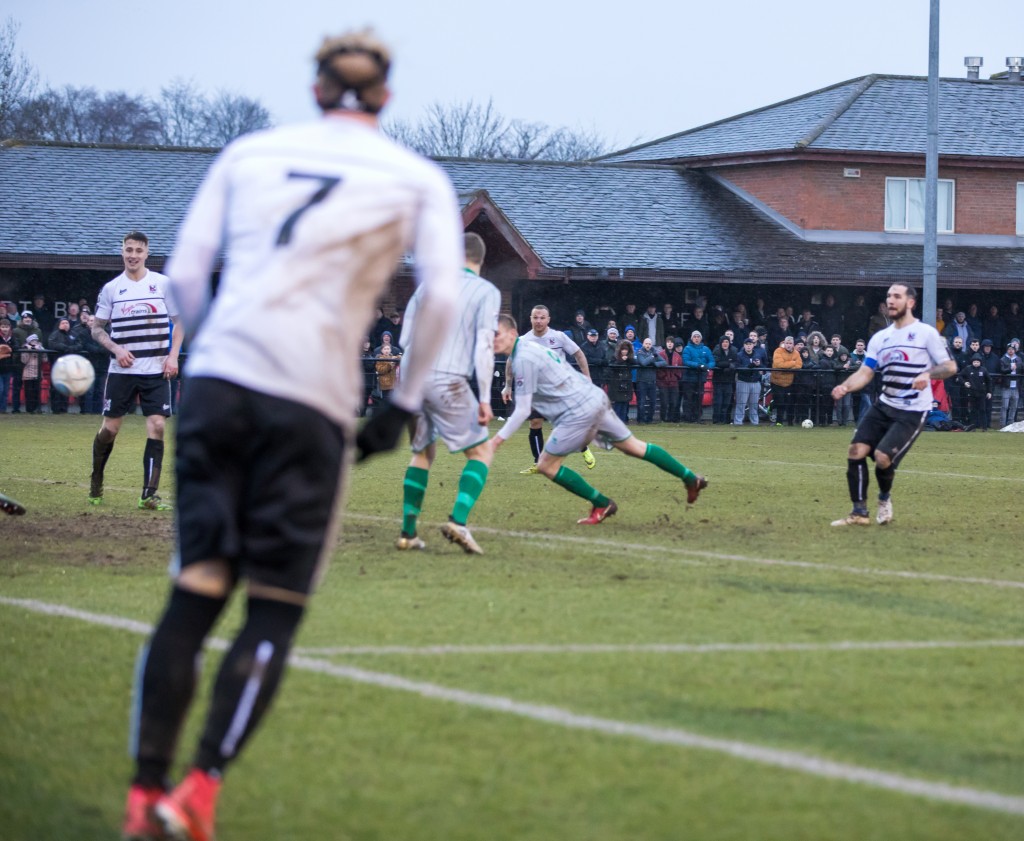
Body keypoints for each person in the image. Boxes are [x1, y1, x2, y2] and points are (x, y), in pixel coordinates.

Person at [119, 29, 462, 841]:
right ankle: (197, 789)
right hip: (310, 398)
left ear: (314, 90)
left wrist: (211, 357)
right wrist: (400, 402)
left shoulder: (250, 154)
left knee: (195, 590)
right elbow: (441, 294)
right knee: (273, 608)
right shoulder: (415, 176)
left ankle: (142, 795)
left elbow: (190, 269)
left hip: (220, 384)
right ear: (385, 96)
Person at [489, 314, 706, 524]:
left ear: (513, 333)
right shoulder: (530, 348)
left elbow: (522, 409)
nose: (493, 339)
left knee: (546, 465)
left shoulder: (524, 358)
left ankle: (601, 503)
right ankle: (689, 478)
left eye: (498, 334)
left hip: (578, 410)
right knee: (634, 447)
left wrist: (495, 441)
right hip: (593, 399)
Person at [395, 232, 500, 555]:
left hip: (411, 376)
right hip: (446, 379)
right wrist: (484, 397)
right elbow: (484, 346)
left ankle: (408, 533)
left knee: (422, 452)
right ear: (481, 260)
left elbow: (403, 339)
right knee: (481, 453)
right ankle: (458, 521)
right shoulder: (486, 291)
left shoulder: (428, 285)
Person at [829, 283, 955, 526]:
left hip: (913, 410)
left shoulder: (926, 333)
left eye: (897, 296)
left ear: (910, 302)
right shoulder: (880, 337)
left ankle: (884, 499)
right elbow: (866, 371)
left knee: (882, 457)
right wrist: (846, 386)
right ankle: (858, 513)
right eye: (888, 296)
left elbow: (950, 367)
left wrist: (927, 374)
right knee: (856, 451)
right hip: (885, 405)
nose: (891, 300)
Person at [89, 231, 184, 510]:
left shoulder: (163, 284)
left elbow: (181, 322)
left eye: (138, 251)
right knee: (110, 428)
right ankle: (97, 478)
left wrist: (173, 356)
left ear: (146, 254)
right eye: (128, 249)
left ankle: (148, 494)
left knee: (156, 425)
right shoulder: (111, 289)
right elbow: (96, 328)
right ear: (122, 252)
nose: (133, 255)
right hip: (121, 371)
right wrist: (117, 350)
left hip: (156, 370)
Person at [502, 304, 595, 474]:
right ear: (530, 319)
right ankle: (539, 464)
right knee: (535, 423)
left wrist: (587, 376)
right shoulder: (523, 341)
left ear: (548, 319)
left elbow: (579, 353)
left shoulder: (558, 337)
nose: (538, 321)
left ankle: (583, 447)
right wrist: (508, 385)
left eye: (542, 317)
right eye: (535, 317)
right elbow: (510, 361)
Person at [680, 330, 714, 422]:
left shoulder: (706, 349)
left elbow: (712, 361)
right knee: (688, 398)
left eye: (698, 337)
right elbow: (686, 361)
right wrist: (698, 365)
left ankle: (697, 417)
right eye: (694, 337)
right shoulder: (687, 349)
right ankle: (687, 418)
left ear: (701, 338)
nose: (696, 338)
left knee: (699, 398)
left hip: (701, 378)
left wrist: (707, 367)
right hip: (689, 378)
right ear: (692, 338)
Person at [732, 335, 765, 425]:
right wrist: (751, 366)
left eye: (750, 344)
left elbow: (763, 367)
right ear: (744, 345)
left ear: (753, 345)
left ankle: (755, 422)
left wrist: (759, 366)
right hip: (743, 381)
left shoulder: (757, 354)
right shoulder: (739, 355)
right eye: (747, 344)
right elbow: (738, 368)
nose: (748, 346)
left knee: (754, 404)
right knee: (741, 403)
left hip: (755, 382)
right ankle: (738, 422)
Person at [770, 336, 801, 425]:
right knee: (780, 403)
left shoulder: (796, 353)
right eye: (787, 343)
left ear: (793, 344)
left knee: (790, 403)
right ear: (784, 343)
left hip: (789, 383)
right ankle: (779, 422)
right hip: (777, 382)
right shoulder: (778, 351)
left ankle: (790, 423)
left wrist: (786, 366)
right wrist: (792, 363)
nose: (788, 345)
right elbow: (779, 364)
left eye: (790, 343)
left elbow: (799, 365)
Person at [634, 337, 662, 423]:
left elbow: (664, 362)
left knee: (653, 403)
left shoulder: (654, 352)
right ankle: (641, 420)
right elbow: (643, 363)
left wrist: (655, 364)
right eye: (646, 343)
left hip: (652, 381)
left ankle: (649, 420)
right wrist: (652, 357)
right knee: (642, 402)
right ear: (643, 344)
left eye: (649, 344)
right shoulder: (639, 352)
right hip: (642, 381)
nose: (648, 345)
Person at [961, 353, 992, 430]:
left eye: (977, 362)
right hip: (972, 393)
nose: (976, 363)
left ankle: (984, 427)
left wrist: (989, 392)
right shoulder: (968, 369)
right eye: (974, 362)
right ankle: (973, 427)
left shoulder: (983, 370)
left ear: (980, 362)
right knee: (973, 411)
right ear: (972, 362)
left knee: (982, 410)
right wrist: (964, 383)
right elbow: (960, 376)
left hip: (982, 393)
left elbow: (989, 381)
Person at [607, 340, 635, 423]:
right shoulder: (614, 357)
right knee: (618, 403)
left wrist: (629, 359)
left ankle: (623, 420)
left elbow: (635, 363)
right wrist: (621, 361)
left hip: (626, 383)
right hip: (617, 384)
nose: (624, 351)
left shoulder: (629, 359)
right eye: (623, 350)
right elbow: (612, 366)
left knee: (625, 403)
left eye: (626, 350)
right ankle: (616, 421)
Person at [656, 336, 682, 423]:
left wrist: (676, 376)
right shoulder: (661, 354)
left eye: (671, 342)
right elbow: (658, 368)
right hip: (663, 382)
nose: (670, 344)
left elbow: (680, 368)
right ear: (666, 343)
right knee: (664, 402)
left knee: (674, 402)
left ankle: (671, 419)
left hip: (674, 383)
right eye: (668, 342)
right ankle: (663, 419)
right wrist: (663, 376)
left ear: (673, 344)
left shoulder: (677, 356)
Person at [999, 341, 1021, 427]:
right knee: (1004, 406)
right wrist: (1010, 368)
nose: (1011, 351)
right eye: (1009, 349)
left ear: (1015, 350)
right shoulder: (1003, 359)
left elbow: (1021, 368)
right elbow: (1002, 370)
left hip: (1016, 386)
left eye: (1012, 349)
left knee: (1014, 406)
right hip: (1006, 386)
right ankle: (1002, 425)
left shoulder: (1018, 359)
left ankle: (1010, 425)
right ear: (1007, 350)